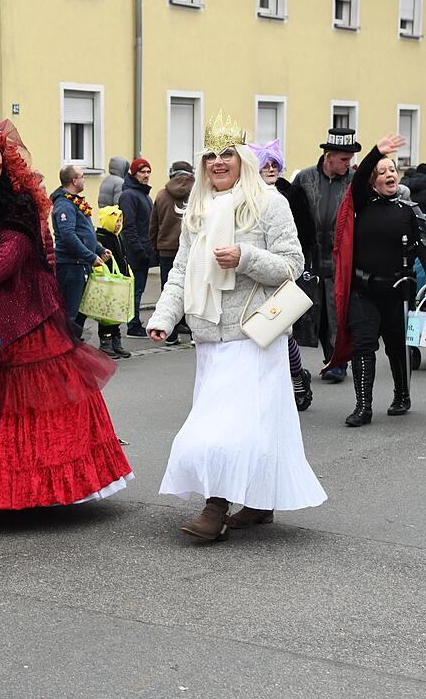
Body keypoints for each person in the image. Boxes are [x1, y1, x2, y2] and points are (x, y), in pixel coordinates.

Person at [0, 89, 133, 513]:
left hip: (25, 316)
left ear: (5, 161)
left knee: (28, 401)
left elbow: (11, 255)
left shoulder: (19, 203)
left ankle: (39, 491)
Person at [147, 114, 326, 541]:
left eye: (227, 154)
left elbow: (292, 266)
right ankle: (259, 502)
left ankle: (216, 505)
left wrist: (244, 257)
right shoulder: (198, 209)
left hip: (255, 335)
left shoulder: (269, 203)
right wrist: (163, 317)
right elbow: (181, 270)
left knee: (228, 427)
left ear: (242, 158)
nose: (218, 163)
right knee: (242, 424)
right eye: (211, 155)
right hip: (210, 334)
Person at [323, 135, 426, 427]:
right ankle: (363, 406)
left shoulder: (409, 212)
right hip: (364, 291)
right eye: (382, 171)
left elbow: (423, 247)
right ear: (373, 181)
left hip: (397, 291)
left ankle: (402, 394)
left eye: (392, 170)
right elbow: (359, 175)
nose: (388, 175)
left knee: (396, 346)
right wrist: (376, 153)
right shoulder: (361, 203)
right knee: (364, 346)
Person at [250, 139, 315, 411]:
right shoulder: (245, 196)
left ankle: (297, 377)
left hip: (285, 269)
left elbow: (306, 233)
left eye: (275, 163)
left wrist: (305, 266)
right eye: (265, 164)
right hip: (252, 271)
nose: (271, 168)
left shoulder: (291, 193)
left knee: (281, 331)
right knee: (256, 333)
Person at [292, 127, 360, 381]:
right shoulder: (305, 178)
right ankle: (295, 363)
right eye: (344, 159)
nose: (348, 164)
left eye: (350, 159)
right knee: (309, 311)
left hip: (339, 258)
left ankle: (336, 362)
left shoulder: (353, 181)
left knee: (337, 313)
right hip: (309, 256)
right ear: (328, 156)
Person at [51, 164, 109, 337]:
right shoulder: (64, 205)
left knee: (83, 309)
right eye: (82, 176)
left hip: (81, 264)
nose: (84, 179)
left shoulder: (75, 202)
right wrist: (90, 256)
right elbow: (68, 236)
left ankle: (74, 343)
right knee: (71, 311)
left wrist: (99, 249)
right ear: (74, 180)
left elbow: (85, 231)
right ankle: (67, 346)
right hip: (71, 266)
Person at [149, 161, 194, 344]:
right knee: (193, 289)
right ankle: (193, 334)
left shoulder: (161, 195)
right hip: (192, 249)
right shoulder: (198, 193)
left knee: (168, 288)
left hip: (166, 249)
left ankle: (170, 333)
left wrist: (156, 245)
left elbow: (153, 224)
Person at [120, 158, 154, 337]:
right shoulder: (130, 195)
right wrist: (138, 250)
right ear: (134, 173)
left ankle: (135, 320)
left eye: (148, 172)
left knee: (139, 288)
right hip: (135, 252)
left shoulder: (144, 195)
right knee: (136, 289)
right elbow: (129, 226)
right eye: (142, 172)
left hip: (144, 250)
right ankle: (133, 324)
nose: (146, 175)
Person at [94, 204, 131, 358]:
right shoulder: (101, 238)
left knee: (116, 313)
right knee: (106, 315)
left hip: (119, 281)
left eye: (119, 222)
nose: (118, 225)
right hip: (107, 281)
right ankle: (105, 342)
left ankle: (116, 341)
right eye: (115, 221)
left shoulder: (117, 237)